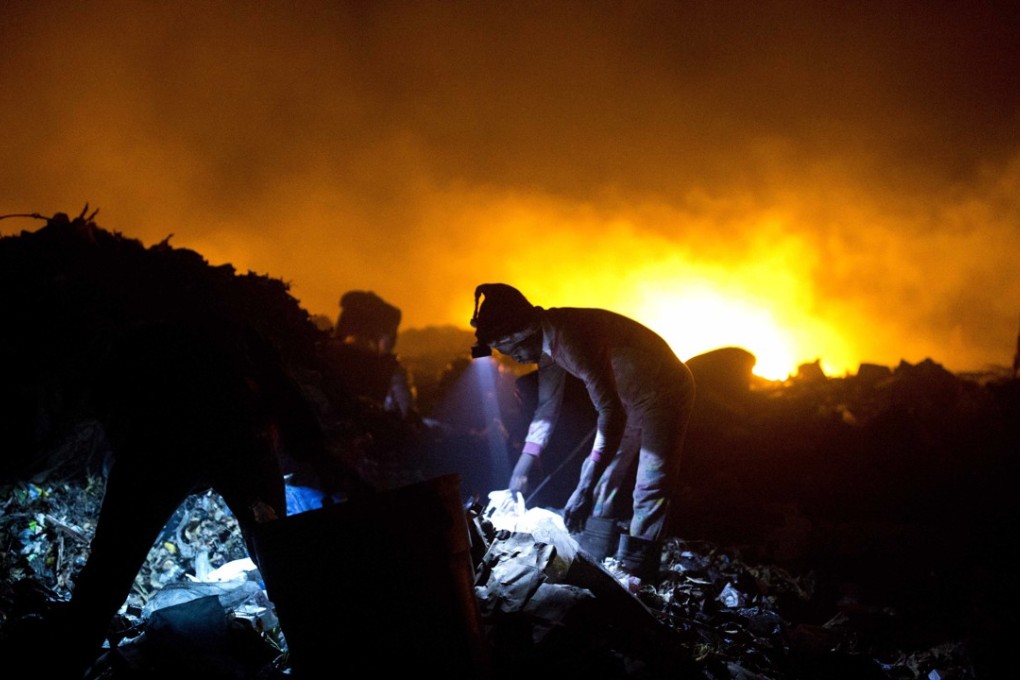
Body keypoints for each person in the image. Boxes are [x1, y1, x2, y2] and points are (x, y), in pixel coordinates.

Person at [469, 283, 696, 583]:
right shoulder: (547, 346)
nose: (514, 358)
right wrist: (525, 463)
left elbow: (610, 413)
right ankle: (596, 558)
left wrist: (583, 486)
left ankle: (638, 573)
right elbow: (547, 408)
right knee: (605, 483)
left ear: (524, 332)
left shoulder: (572, 338)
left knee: (649, 486)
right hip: (629, 398)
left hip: (664, 391)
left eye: (511, 349)